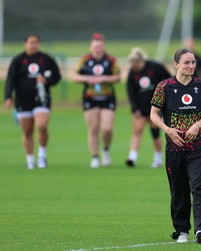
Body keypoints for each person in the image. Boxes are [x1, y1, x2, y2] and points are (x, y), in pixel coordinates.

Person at [150, 48, 201, 244]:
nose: (191, 66)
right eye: (186, 62)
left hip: (198, 148)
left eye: (193, 62)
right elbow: (153, 114)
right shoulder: (164, 87)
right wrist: (167, 129)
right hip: (175, 149)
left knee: (199, 187)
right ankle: (182, 230)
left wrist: (197, 125)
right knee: (179, 190)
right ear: (176, 64)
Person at [4, 34, 61, 169]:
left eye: (36, 42)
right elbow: (11, 79)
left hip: (41, 99)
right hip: (23, 100)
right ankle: (29, 160)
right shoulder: (18, 60)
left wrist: (47, 80)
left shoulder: (46, 59)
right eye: (31, 42)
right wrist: (8, 97)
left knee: (41, 126)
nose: (33, 45)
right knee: (27, 131)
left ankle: (42, 156)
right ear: (25, 44)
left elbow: (57, 76)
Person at [73, 33, 121, 168]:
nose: (97, 49)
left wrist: (104, 78)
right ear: (91, 46)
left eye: (100, 46)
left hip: (107, 97)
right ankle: (94, 157)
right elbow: (75, 76)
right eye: (95, 46)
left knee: (107, 128)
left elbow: (118, 77)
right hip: (90, 97)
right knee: (93, 128)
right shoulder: (84, 60)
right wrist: (87, 79)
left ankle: (105, 149)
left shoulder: (111, 60)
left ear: (104, 46)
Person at [125, 47, 171, 168]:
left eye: (135, 65)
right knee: (137, 131)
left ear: (141, 61)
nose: (134, 68)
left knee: (155, 132)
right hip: (140, 108)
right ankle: (132, 157)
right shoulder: (132, 72)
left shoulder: (154, 67)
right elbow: (130, 91)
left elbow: (169, 79)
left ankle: (157, 159)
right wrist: (135, 109)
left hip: (155, 108)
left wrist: (163, 99)